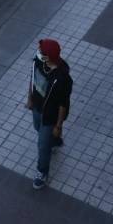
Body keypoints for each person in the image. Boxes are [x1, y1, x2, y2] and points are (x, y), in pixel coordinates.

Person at [27, 39, 72, 190]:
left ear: (50, 56)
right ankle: (54, 140)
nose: (38, 52)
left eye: (41, 51)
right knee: (37, 128)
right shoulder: (38, 62)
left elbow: (63, 104)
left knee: (42, 146)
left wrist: (58, 126)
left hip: (50, 116)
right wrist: (30, 98)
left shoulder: (63, 78)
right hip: (37, 108)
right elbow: (32, 80)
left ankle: (42, 171)